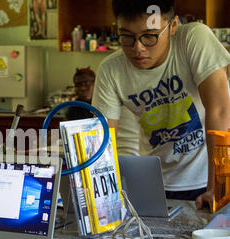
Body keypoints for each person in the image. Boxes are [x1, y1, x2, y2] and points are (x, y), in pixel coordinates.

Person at [92, 0, 230, 209]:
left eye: (149, 36)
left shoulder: (193, 39)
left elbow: (220, 110)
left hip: (208, 177)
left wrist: (218, 187)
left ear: (173, 25)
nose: (138, 48)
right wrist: (102, 200)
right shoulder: (111, 70)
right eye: (127, 36)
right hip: (154, 184)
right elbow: (101, 140)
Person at [67, 67, 141, 156]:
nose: (82, 88)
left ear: (96, 83)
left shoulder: (110, 104)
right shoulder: (74, 107)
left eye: (86, 83)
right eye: (78, 85)